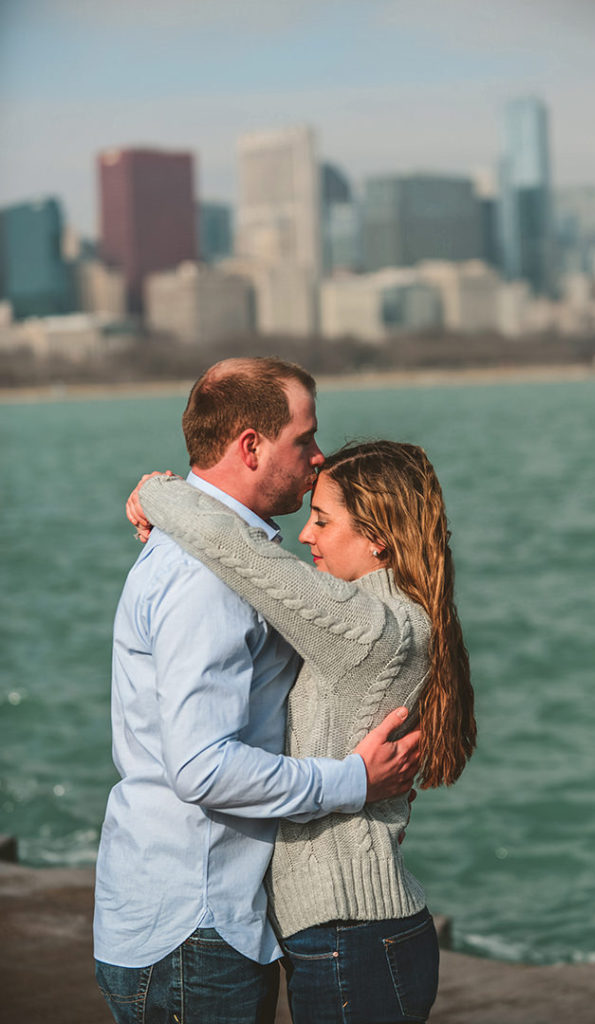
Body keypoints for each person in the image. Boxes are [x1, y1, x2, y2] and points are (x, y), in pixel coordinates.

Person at [94, 358, 421, 1024]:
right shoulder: (207, 581)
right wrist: (351, 781)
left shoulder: (215, 555)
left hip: (179, 911)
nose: (317, 453)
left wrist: (159, 494)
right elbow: (202, 766)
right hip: (200, 925)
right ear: (251, 446)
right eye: (303, 439)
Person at [132, 438, 476, 1024]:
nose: (306, 535)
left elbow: (241, 555)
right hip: (354, 932)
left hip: (352, 934)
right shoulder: (384, 614)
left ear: (378, 537)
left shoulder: (367, 626)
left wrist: (157, 492)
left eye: (322, 519)